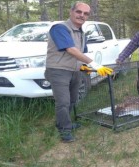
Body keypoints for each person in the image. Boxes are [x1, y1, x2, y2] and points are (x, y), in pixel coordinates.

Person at [45, 1, 113, 142]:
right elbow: (71, 49)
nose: (82, 15)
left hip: (75, 71)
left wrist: (83, 66)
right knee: (63, 101)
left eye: (85, 13)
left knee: (73, 99)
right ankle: (64, 130)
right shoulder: (59, 28)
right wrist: (94, 64)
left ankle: (64, 123)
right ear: (71, 11)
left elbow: (81, 53)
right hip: (58, 71)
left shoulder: (82, 33)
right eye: (79, 12)